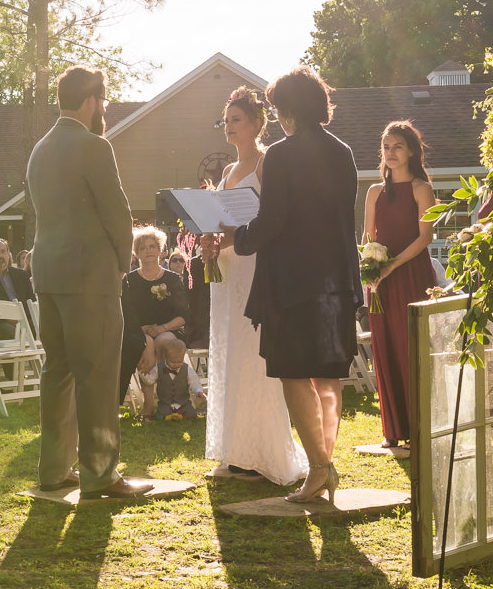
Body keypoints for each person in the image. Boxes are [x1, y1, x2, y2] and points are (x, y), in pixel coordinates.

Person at [219, 68, 359, 504]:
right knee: (328, 375)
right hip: (336, 280)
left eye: (278, 108)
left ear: (289, 109)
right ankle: (324, 463)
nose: (277, 116)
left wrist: (235, 237)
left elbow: (271, 222)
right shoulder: (344, 153)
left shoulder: (280, 155)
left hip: (292, 283)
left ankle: (319, 469)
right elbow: (342, 221)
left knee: (295, 374)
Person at [27, 65, 148, 498]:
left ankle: (54, 469)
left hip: (49, 274)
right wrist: (121, 262)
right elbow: (117, 213)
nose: (105, 109)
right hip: (90, 275)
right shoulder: (94, 146)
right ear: (91, 100)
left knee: (57, 371)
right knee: (96, 374)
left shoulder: (39, 149)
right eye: (104, 100)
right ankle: (101, 472)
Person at [200, 87, 304, 485]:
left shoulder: (265, 165)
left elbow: (273, 218)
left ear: (258, 123)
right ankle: (234, 450)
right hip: (227, 268)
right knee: (229, 351)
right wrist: (211, 240)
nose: (228, 126)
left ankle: (259, 452)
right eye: (225, 120)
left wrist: (232, 238)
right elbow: (223, 219)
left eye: (236, 120)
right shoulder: (226, 172)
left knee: (253, 354)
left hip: (254, 265)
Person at [363, 121, 439, 450]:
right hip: (380, 281)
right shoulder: (374, 192)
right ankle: (392, 428)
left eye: (397, 147)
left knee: (412, 347)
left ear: (410, 151)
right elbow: (368, 238)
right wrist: (371, 268)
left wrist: (392, 265)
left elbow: (426, 237)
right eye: (386, 147)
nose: (391, 153)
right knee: (385, 347)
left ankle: (420, 424)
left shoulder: (422, 188)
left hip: (411, 275)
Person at [119, 226, 189, 419]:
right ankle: (151, 403)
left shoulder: (173, 279)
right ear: (136, 253)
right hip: (138, 330)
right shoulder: (129, 281)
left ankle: (163, 399)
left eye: (152, 247)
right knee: (146, 342)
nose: (148, 251)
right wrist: (143, 329)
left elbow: (183, 315)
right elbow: (127, 312)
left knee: (162, 340)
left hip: (169, 329)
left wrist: (162, 328)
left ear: (161, 250)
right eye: (143, 248)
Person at [151, 337, 204, 421]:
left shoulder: (186, 369)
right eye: (173, 362)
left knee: (191, 414)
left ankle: (180, 416)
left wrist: (198, 390)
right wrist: (146, 378)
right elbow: (150, 380)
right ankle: (167, 416)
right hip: (166, 403)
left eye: (180, 362)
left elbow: (194, 380)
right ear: (166, 357)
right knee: (160, 415)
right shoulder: (158, 369)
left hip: (183, 403)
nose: (176, 365)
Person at [0, 238, 34, 304]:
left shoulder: (22, 275)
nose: (0, 256)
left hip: (22, 313)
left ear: (8, 254)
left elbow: (32, 301)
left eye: (3, 251)